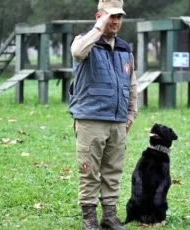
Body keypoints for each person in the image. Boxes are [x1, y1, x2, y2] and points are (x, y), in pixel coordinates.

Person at [69, 0, 137, 229]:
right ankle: (89, 219)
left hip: (117, 121)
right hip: (90, 120)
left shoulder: (125, 48)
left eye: (119, 17)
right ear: (99, 16)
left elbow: (132, 83)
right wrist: (98, 29)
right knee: (89, 171)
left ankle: (109, 217)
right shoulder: (84, 41)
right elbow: (78, 53)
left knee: (113, 171)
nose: (115, 21)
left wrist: (131, 113)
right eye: (110, 16)